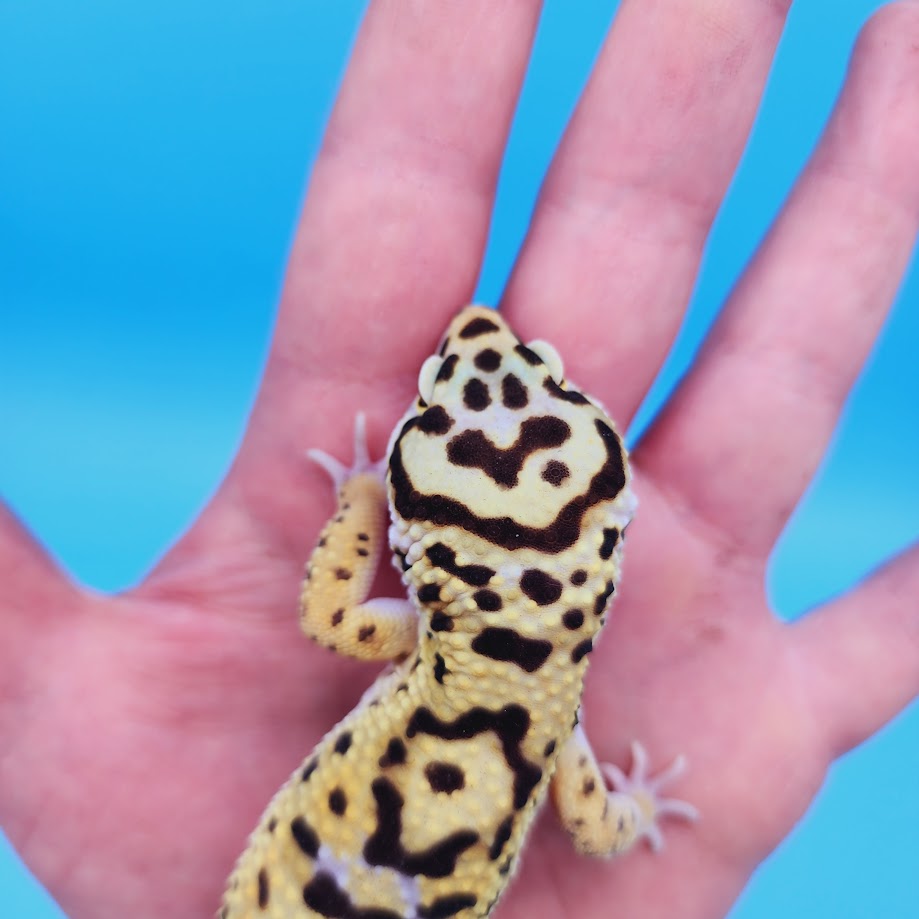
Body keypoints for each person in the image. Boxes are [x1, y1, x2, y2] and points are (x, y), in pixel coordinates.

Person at [2, 2, 918, 917]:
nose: (477, 336)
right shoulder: (540, 720)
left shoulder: (445, 662)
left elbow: (332, 615)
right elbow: (602, 832)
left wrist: (359, 498)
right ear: (605, 527)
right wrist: (638, 808)